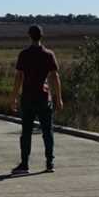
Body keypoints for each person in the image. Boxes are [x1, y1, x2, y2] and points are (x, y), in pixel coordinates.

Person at [10, 25, 63, 173]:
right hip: (44, 97)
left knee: (26, 132)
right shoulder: (48, 54)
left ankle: (25, 164)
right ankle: (49, 162)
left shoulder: (24, 54)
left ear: (29, 36)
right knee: (47, 131)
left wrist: (13, 97)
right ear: (41, 36)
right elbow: (54, 77)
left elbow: (18, 77)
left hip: (27, 97)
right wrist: (58, 98)